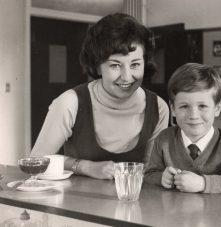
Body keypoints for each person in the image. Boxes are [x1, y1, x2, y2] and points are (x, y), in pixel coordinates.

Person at [30, 13, 169, 179]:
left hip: (133, 203)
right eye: (115, 65)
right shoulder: (70, 103)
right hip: (74, 203)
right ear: (97, 67)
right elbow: (36, 162)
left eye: (135, 64)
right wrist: (84, 166)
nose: (126, 76)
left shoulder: (158, 108)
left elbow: (150, 173)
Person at [144, 63, 221, 196]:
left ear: (217, 108)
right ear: (173, 109)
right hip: (173, 215)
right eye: (184, 106)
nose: (193, 115)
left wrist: (203, 183)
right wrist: (162, 178)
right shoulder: (164, 138)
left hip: (218, 215)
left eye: (202, 106)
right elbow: (149, 175)